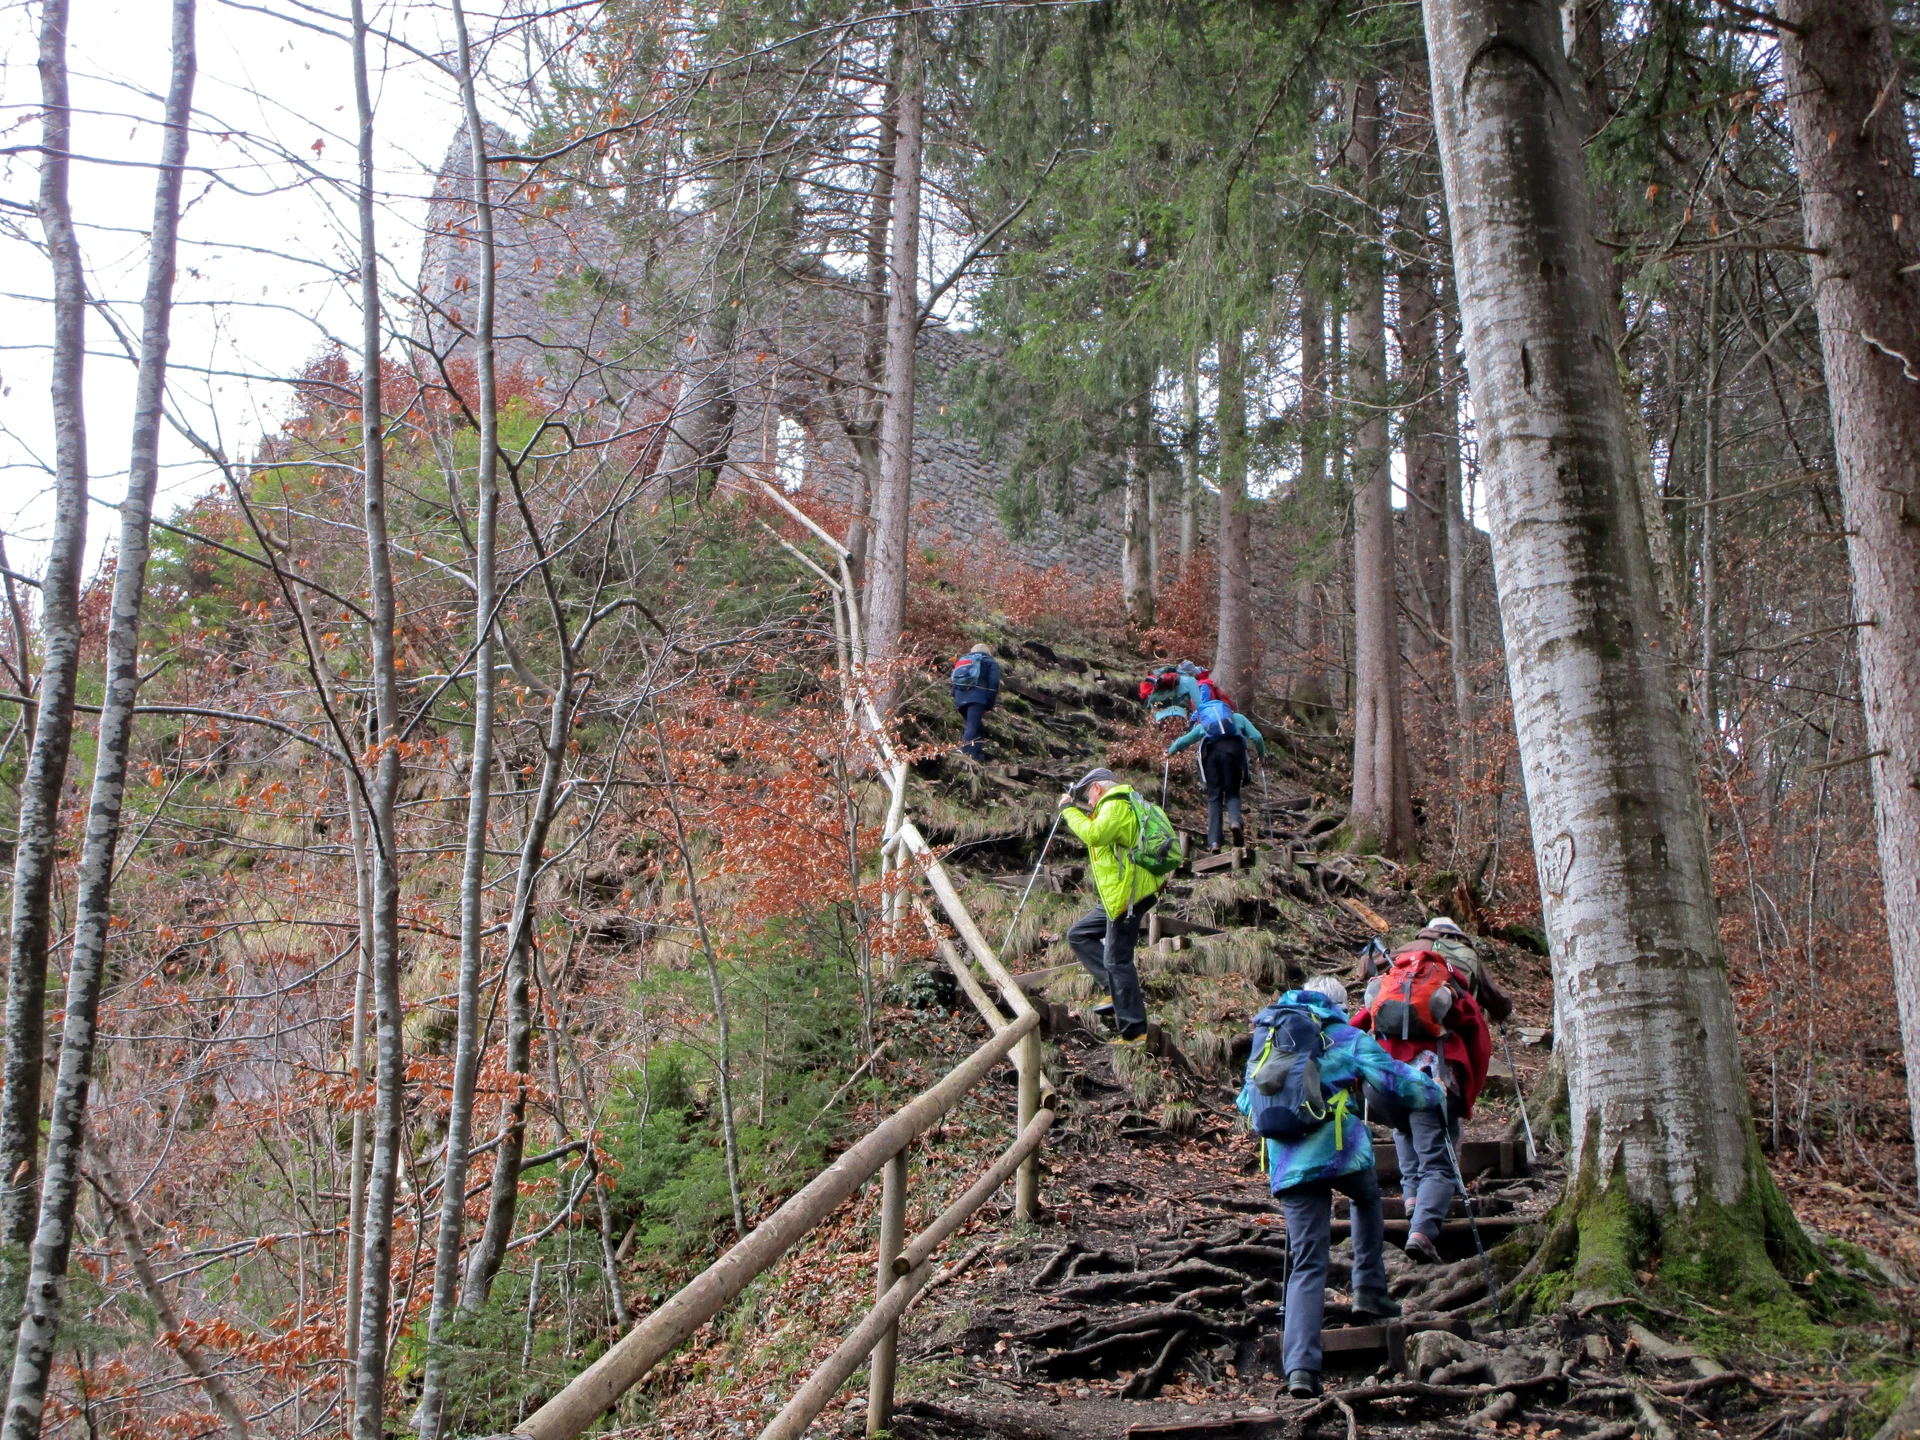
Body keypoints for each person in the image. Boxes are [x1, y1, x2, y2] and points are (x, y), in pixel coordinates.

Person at [1240, 975, 1446, 1399]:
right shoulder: (1346, 1036)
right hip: (1341, 1153)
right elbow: (1397, 1082)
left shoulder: (1270, 1036)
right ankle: (1369, 1288)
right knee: (1367, 1198)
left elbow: (1247, 1102)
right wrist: (1435, 1091)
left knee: (1307, 1261)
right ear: (1337, 1004)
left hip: (1289, 1164)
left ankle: (1301, 1369)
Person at [1354, 941, 1493, 1266]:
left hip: (1383, 1084)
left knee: (1404, 1127)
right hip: (1429, 1081)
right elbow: (1479, 1039)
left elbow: (1358, 1022)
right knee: (1438, 1165)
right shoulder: (1449, 986)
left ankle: (1414, 1200)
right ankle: (1423, 1232)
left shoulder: (1390, 984)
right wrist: (1467, 1092)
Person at [1058, 767, 1162, 1044]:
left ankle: (1135, 1032)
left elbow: (1093, 835)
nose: (1089, 801)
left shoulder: (1115, 805)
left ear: (1097, 788)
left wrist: (1068, 810)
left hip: (1128, 895)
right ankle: (1112, 989)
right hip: (1119, 895)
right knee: (1079, 934)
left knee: (1117, 961)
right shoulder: (1117, 805)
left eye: (1088, 795)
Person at [1167, 706, 1266, 850]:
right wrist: (1261, 756)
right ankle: (1235, 822)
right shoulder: (1238, 718)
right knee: (1232, 793)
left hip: (1211, 755)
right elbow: (1257, 737)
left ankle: (1215, 842)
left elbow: (1185, 740)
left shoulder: (1207, 723)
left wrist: (1170, 751)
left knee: (1214, 797)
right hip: (1233, 754)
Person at [949, 643, 1002, 762]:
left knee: (978, 728)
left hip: (960, 698)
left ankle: (976, 756)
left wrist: (955, 695)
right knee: (972, 725)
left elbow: (954, 679)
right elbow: (994, 682)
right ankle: (963, 750)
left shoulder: (964, 660)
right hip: (978, 698)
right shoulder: (990, 662)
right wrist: (990, 701)